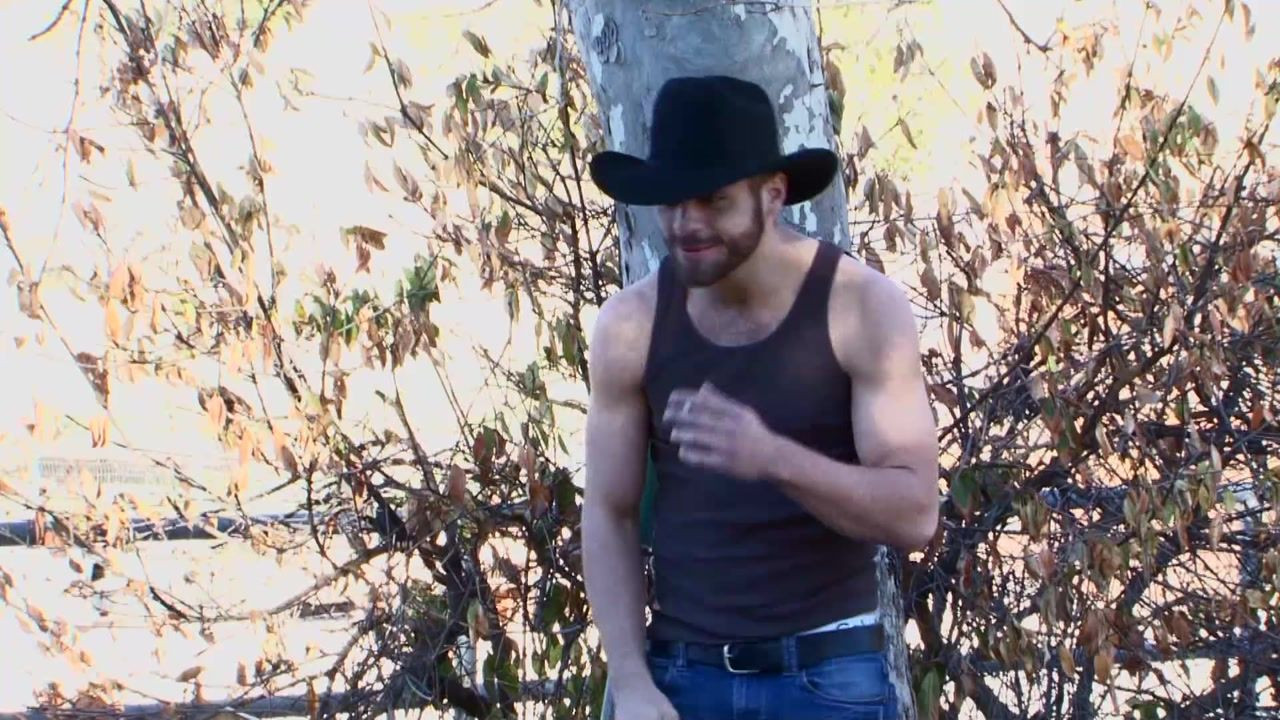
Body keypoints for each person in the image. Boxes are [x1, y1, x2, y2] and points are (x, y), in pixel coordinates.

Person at [582, 75, 939, 720]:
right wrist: (631, 681)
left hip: (831, 677)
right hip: (683, 677)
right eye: (672, 202)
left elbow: (915, 515)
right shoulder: (630, 325)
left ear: (773, 195)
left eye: (714, 200)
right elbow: (610, 512)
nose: (688, 223)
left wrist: (772, 457)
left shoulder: (861, 307)